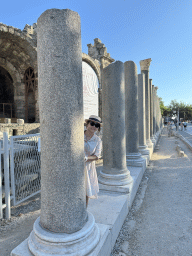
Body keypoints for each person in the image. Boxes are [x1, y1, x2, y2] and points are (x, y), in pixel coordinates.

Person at [84, 115, 102, 207]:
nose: (94, 126)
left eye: (97, 125)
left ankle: (84, 211)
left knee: (86, 191)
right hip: (75, 166)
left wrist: (86, 158)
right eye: (92, 123)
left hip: (88, 167)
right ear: (87, 124)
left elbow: (97, 156)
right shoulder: (78, 135)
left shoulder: (98, 140)